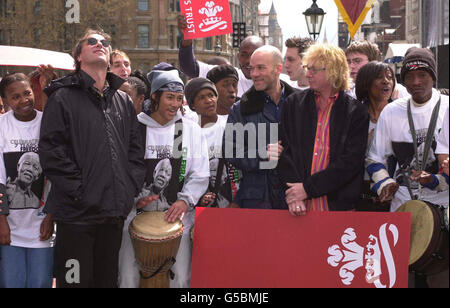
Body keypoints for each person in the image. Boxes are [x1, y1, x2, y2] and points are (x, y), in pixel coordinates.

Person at [39, 29, 146, 288]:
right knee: (75, 283)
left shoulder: (122, 100)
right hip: (76, 216)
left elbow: (135, 151)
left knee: (106, 281)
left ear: (109, 57)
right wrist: (80, 191)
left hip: (112, 214)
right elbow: (51, 152)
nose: (100, 45)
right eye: (92, 42)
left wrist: (128, 189)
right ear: (78, 56)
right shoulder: (62, 97)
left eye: (105, 43)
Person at [135, 70, 210, 288]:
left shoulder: (189, 129)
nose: (175, 104)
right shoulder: (135, 127)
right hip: (135, 219)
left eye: (179, 98)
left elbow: (200, 172)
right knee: (130, 278)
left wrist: (184, 200)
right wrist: (134, 200)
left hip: (178, 221)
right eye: (169, 97)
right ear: (155, 97)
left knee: (181, 280)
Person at [278, 44, 369, 216]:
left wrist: (307, 188)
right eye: (307, 68)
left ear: (333, 71)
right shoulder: (293, 104)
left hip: (338, 207)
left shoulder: (356, 112)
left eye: (314, 69)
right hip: (299, 206)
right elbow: (284, 151)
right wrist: (295, 194)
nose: (308, 74)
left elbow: (351, 162)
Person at [366, 47, 449, 212]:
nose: (416, 81)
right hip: (404, 206)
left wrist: (434, 180)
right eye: (409, 77)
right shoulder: (391, 111)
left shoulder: (446, 106)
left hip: (444, 207)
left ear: (433, 77)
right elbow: (373, 159)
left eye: (422, 75)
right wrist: (385, 184)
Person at [223, 45, 298, 209]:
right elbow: (230, 152)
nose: (253, 74)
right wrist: (261, 154)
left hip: (295, 198)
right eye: (251, 68)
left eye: (260, 68)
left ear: (278, 68)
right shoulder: (241, 108)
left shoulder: (300, 103)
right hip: (257, 200)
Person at [0, 73, 54, 288]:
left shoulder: (48, 122)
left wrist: (51, 215)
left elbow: (58, 176)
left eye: (27, 93)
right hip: (10, 228)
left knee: (40, 282)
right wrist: (1, 220)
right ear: (5, 102)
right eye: (15, 97)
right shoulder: (2, 126)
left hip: (42, 227)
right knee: (11, 282)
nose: (23, 100)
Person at [184, 77, 235, 208]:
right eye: (201, 98)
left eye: (211, 95)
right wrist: (199, 196)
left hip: (231, 203)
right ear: (193, 105)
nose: (209, 101)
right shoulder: (187, 133)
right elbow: (184, 172)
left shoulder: (229, 126)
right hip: (198, 206)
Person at [355, 61, 396, 211]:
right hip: (361, 194)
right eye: (379, 77)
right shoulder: (354, 115)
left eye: (390, 77)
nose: (386, 81)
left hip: (393, 194)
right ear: (366, 84)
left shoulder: (401, 114)